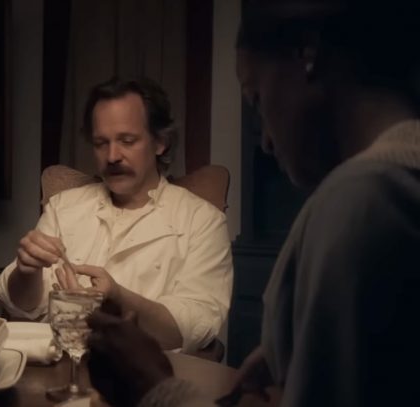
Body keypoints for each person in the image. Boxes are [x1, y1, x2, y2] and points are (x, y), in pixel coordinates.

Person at [85, 1, 420, 406]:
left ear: (308, 55)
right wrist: (293, 354)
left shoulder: (363, 202)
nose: (265, 141)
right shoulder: (392, 183)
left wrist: (154, 387)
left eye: (256, 98)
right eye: (101, 142)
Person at [0, 77, 233, 353]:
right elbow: (22, 306)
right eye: (100, 143)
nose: (112, 156)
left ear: (160, 142)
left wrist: (117, 299)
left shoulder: (203, 221)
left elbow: (196, 327)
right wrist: (27, 271)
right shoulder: (63, 207)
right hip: (60, 366)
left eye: (127, 141)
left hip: (146, 372)